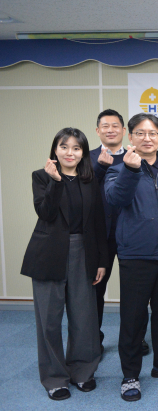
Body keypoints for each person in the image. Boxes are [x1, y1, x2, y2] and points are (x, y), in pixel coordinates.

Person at [105, 113, 158, 401]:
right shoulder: (118, 170)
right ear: (131, 138)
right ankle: (130, 376)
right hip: (136, 256)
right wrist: (130, 172)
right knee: (133, 318)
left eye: (152, 133)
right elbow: (115, 199)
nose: (147, 138)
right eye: (140, 133)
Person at [21, 128, 108, 400]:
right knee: (49, 320)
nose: (70, 153)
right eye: (64, 147)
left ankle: (83, 371)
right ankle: (55, 378)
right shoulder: (41, 176)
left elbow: (98, 223)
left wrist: (102, 261)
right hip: (49, 254)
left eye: (76, 148)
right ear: (55, 149)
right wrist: (56, 182)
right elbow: (45, 213)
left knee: (84, 318)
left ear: (83, 152)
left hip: (84, 251)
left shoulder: (89, 179)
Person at [89, 109, 149, 357]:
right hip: (97, 234)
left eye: (116, 126)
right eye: (105, 126)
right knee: (95, 290)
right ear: (97, 131)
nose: (111, 130)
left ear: (125, 131)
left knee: (135, 293)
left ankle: (137, 338)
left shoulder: (137, 155)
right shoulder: (87, 157)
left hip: (129, 233)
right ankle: (94, 339)